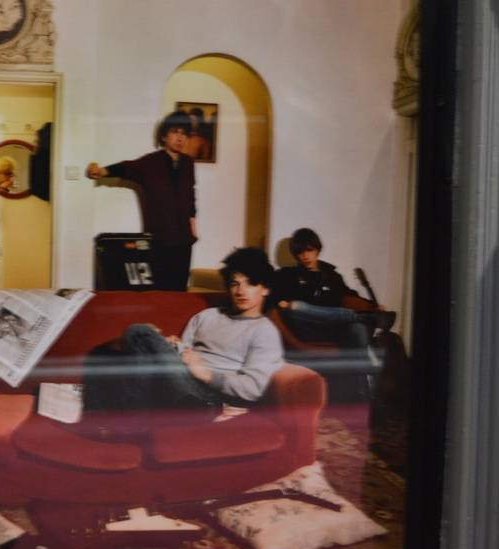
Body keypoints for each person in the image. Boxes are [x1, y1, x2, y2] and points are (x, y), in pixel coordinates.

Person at [83, 247, 283, 415]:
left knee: (139, 331)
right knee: (101, 352)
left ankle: (135, 418)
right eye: (234, 284)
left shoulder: (264, 331)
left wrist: (206, 374)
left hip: (209, 393)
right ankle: (97, 424)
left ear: (265, 289)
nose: (240, 291)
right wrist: (167, 345)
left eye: (251, 283)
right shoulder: (206, 316)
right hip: (180, 380)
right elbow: (184, 353)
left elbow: (253, 388)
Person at [86, 112, 197, 290]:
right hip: (159, 238)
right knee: (159, 288)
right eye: (175, 132)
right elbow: (126, 167)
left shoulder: (188, 164)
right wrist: (101, 171)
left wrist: (193, 225)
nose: (180, 138)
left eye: (184, 134)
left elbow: (190, 196)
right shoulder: (150, 162)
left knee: (180, 289)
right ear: (164, 136)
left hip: (184, 239)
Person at [271, 227, 394, 350]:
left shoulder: (331, 275)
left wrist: (372, 306)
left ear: (317, 250)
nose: (305, 256)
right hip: (307, 327)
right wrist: (279, 301)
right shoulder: (288, 275)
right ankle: (364, 317)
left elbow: (349, 295)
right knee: (295, 306)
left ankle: (364, 360)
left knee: (358, 327)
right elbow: (269, 293)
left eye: (309, 250)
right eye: (300, 252)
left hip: (333, 326)